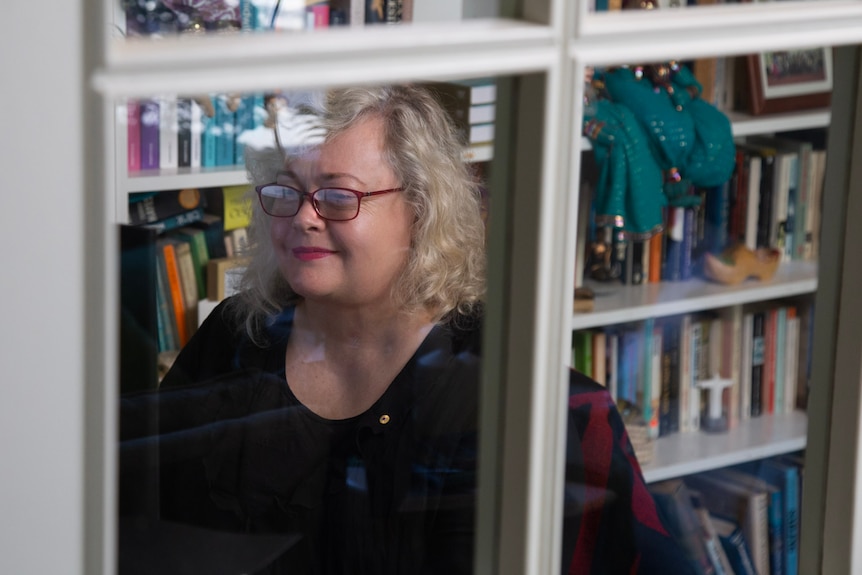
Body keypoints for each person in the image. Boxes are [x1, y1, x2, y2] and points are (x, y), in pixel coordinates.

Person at [119, 84, 693, 575]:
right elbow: (145, 522)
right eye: (288, 191)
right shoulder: (239, 333)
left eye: (339, 196)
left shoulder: (499, 381)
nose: (303, 218)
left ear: (421, 211)